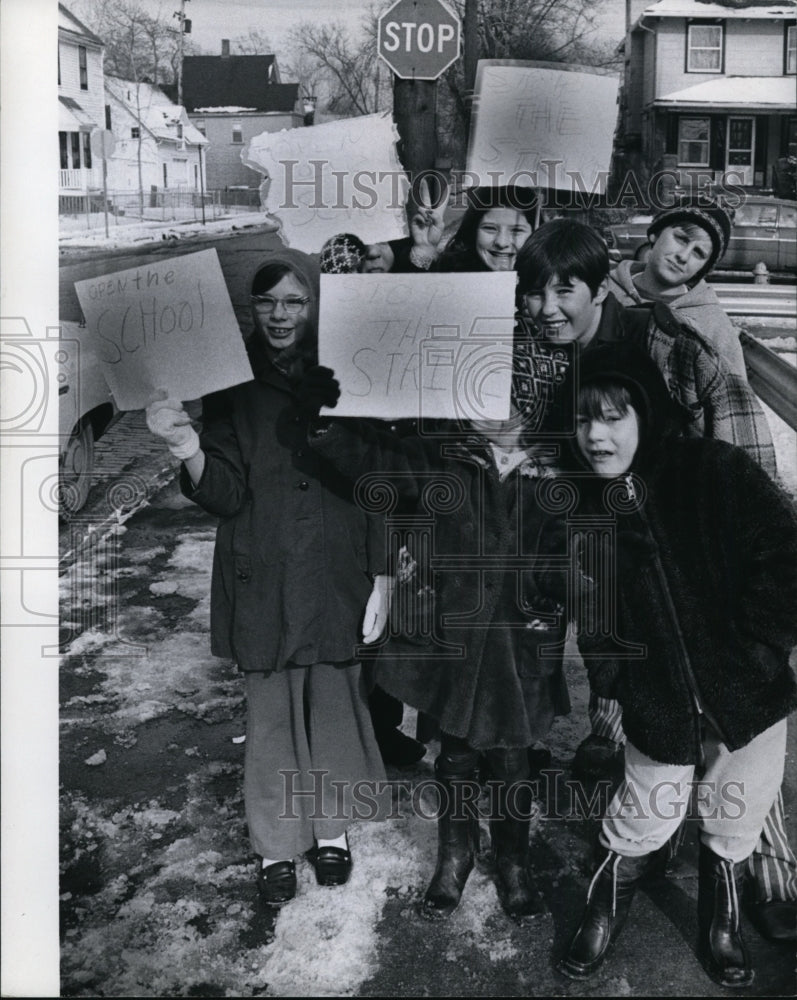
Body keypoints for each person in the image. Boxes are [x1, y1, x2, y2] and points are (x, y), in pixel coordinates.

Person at [514, 218, 797, 943]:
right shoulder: (542, 366)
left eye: (563, 289)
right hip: (637, 603)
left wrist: (759, 634)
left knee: (739, 770)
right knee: (652, 769)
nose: (547, 306)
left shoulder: (667, 342)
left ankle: (756, 881)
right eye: (533, 291)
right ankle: (634, 866)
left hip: (716, 593)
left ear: (591, 286)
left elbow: (752, 495)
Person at [548, 341, 797, 987]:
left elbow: (784, 556)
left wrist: (761, 647)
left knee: (734, 814)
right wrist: (614, 681)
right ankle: (602, 911)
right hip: (656, 695)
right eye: (582, 420)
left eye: (612, 416)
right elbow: (592, 617)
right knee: (643, 814)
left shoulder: (711, 470)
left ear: (645, 415)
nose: (596, 435)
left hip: (747, 688)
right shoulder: (582, 512)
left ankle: (722, 919)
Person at [144, 252, 387, 907]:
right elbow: (224, 492)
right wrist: (187, 448)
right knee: (273, 712)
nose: (280, 315)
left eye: (294, 302)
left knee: (333, 703)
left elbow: (377, 479)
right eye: (267, 302)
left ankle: (330, 830)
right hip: (264, 569)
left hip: (338, 568)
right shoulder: (230, 380)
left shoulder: (348, 370)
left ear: (312, 308)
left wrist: (385, 574)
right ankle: (277, 842)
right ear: (252, 310)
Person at [296, 363, 570, 925]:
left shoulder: (557, 472)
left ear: (531, 403)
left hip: (523, 640)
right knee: (457, 753)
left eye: (507, 398)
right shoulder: (445, 458)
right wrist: (324, 424)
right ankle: (455, 854)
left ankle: (514, 859)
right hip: (458, 639)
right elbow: (378, 465)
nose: (490, 411)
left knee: (513, 757)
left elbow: (576, 552)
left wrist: (558, 594)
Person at [608, 197, 746, 377]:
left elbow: (735, 400)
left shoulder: (713, 326)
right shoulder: (604, 291)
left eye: (698, 253)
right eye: (681, 239)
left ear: (703, 268)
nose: (683, 256)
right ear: (655, 234)